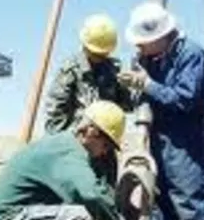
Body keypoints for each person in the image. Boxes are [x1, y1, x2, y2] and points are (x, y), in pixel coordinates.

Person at [118, 1, 204, 220]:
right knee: (160, 200)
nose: (138, 49)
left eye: (142, 43)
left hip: (187, 141)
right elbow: (145, 98)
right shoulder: (151, 60)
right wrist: (137, 86)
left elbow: (186, 100)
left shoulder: (193, 56)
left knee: (191, 198)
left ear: (159, 37)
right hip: (160, 139)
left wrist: (147, 85)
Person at [44, 13, 136, 186]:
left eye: (105, 53)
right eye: (97, 52)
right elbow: (55, 120)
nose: (101, 56)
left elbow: (128, 106)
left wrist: (127, 86)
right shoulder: (69, 72)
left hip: (105, 150)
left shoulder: (114, 70)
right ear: (85, 46)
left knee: (106, 198)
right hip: (78, 150)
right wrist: (75, 144)